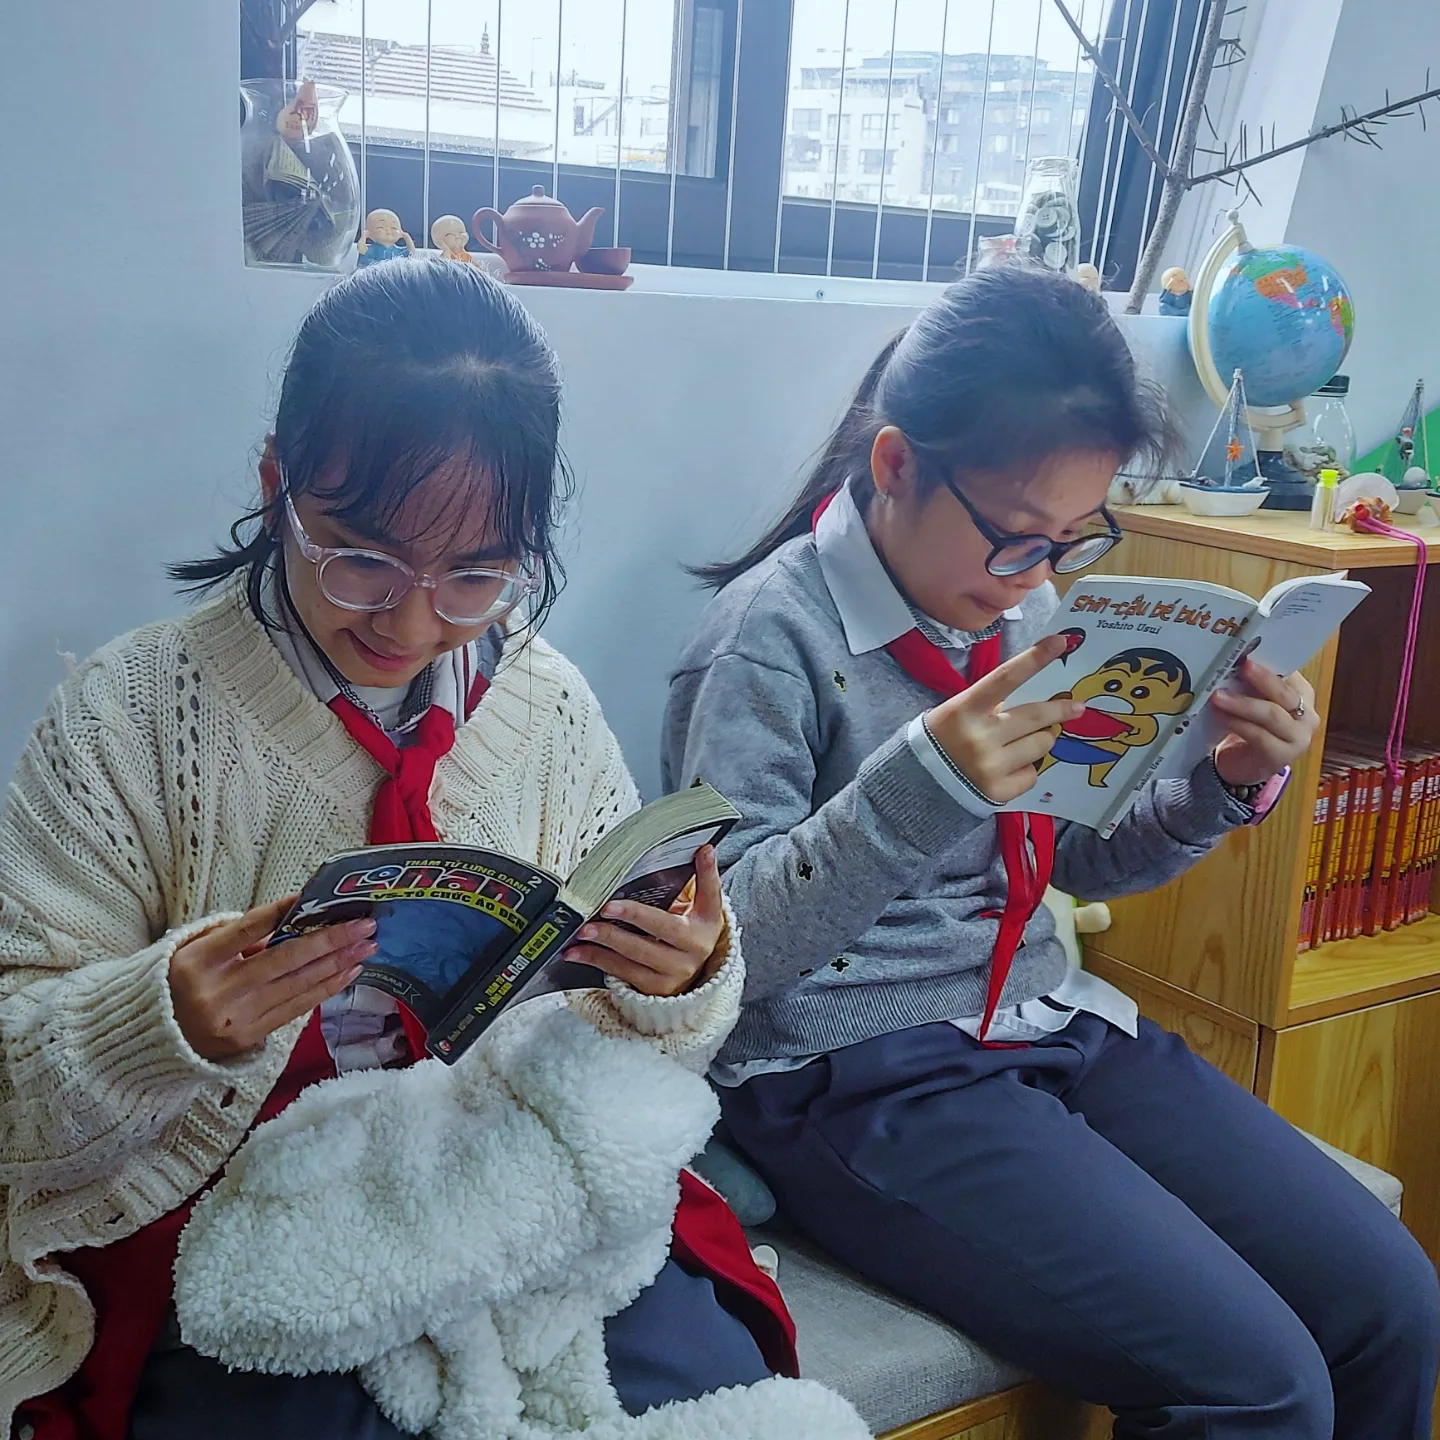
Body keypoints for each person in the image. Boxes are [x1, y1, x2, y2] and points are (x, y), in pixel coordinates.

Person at [0, 260, 812, 1440]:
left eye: (476, 575)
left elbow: (629, 1045)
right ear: (277, 487)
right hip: (231, 1204)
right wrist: (161, 1022)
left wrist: (680, 982)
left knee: (717, 1382)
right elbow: (12, 1091)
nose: (414, 619)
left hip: (503, 1172)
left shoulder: (544, 707)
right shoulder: (129, 717)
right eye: (362, 558)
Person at [664, 266, 1440, 1440]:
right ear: (895, 466)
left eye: (1074, 541)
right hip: (852, 1065)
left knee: (1393, 1302)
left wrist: (1224, 785)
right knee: (1261, 1383)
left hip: (1046, 1018)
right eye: (1017, 540)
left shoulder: (1019, 611)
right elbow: (727, 951)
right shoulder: (768, 643)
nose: (1036, 580)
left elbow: (1068, 859)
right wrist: (928, 784)